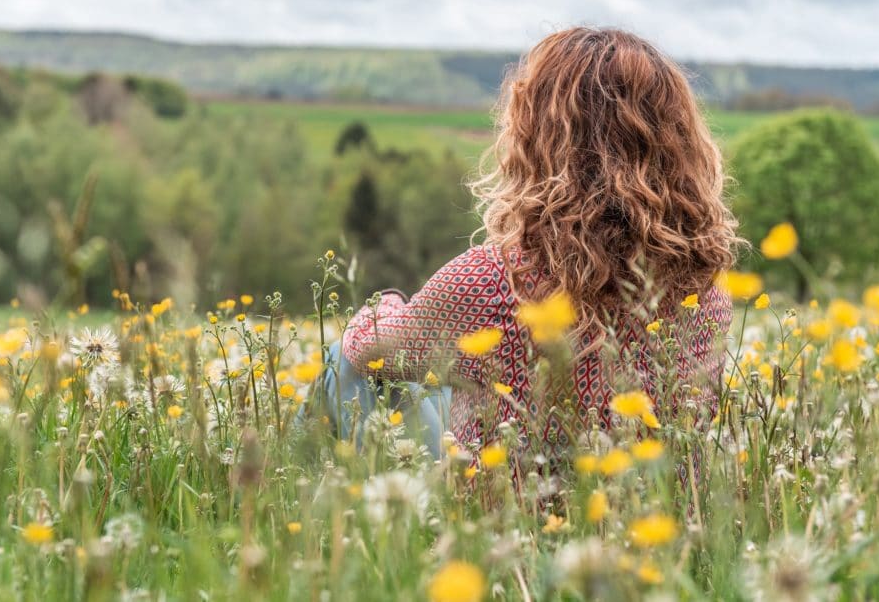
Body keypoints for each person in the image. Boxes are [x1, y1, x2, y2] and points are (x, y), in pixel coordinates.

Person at [316, 27, 740, 469]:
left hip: (510, 517)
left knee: (340, 359)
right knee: (455, 379)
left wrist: (383, 307)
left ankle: (345, 503)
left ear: (537, 138)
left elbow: (366, 352)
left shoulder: (493, 280)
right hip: (655, 516)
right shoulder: (705, 289)